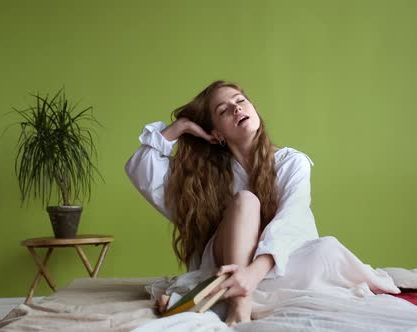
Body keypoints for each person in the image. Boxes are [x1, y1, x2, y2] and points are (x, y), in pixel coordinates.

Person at [125, 80, 398, 325]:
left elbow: (292, 218)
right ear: (216, 133)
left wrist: (253, 273)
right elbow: (140, 168)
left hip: (275, 265)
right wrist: (181, 127)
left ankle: (216, 297)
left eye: (240, 101)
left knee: (327, 252)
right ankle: (239, 306)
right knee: (246, 201)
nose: (236, 109)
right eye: (223, 110)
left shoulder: (293, 162)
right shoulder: (205, 179)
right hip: (225, 263)